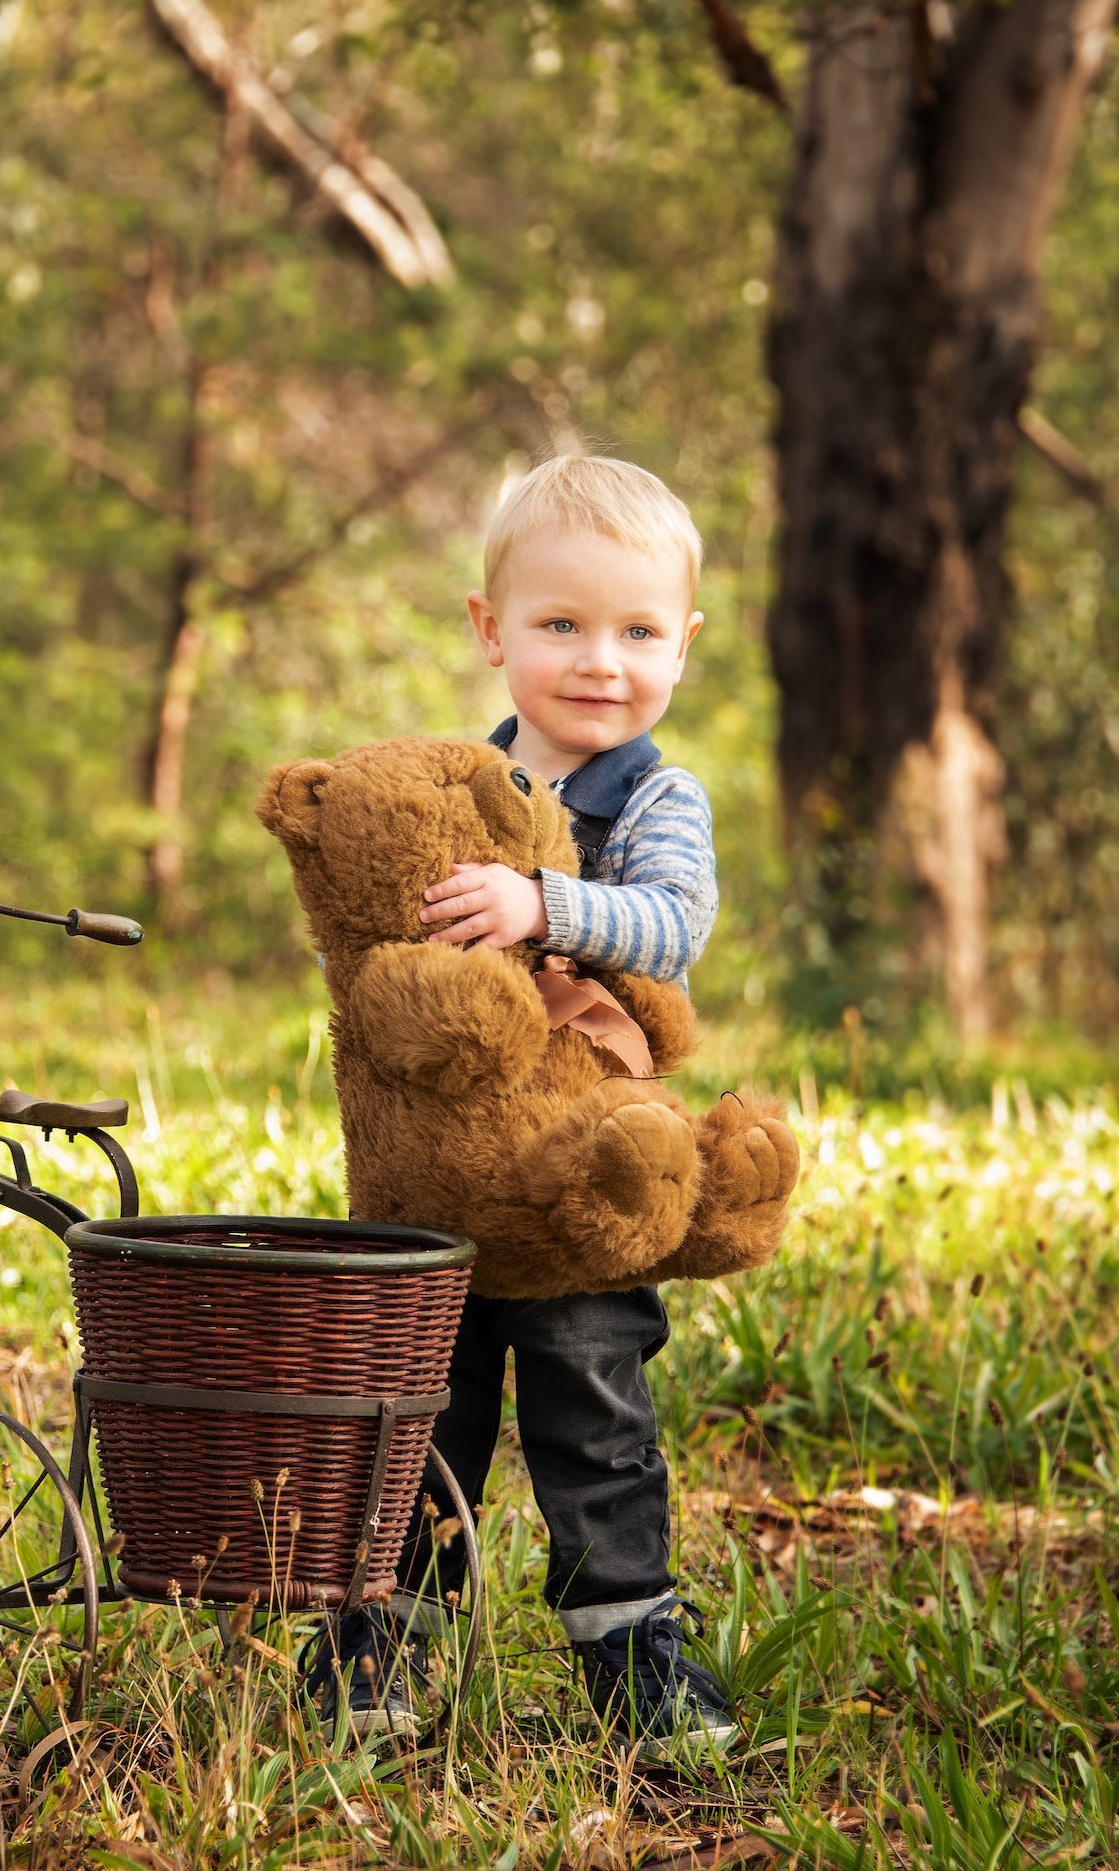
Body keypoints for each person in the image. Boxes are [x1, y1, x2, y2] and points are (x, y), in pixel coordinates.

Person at [306, 453, 735, 1752]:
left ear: (683, 646)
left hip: (577, 1178)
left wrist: (544, 905)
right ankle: (385, 1637)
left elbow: (674, 926)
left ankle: (631, 1639)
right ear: (492, 633)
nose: (600, 659)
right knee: (422, 1406)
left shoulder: (655, 798)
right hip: (441, 1177)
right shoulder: (445, 787)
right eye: (561, 624)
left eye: (638, 631)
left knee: (595, 1400)